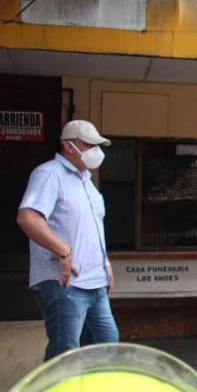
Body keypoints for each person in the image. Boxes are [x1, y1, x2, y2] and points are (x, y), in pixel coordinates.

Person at [16, 119, 119, 362]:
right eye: (89, 145)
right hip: (64, 282)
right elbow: (27, 217)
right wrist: (62, 250)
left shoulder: (87, 182)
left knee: (107, 346)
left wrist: (105, 263)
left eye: (98, 145)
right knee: (65, 356)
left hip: (95, 283)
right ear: (68, 147)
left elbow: (91, 229)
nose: (96, 151)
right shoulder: (49, 174)